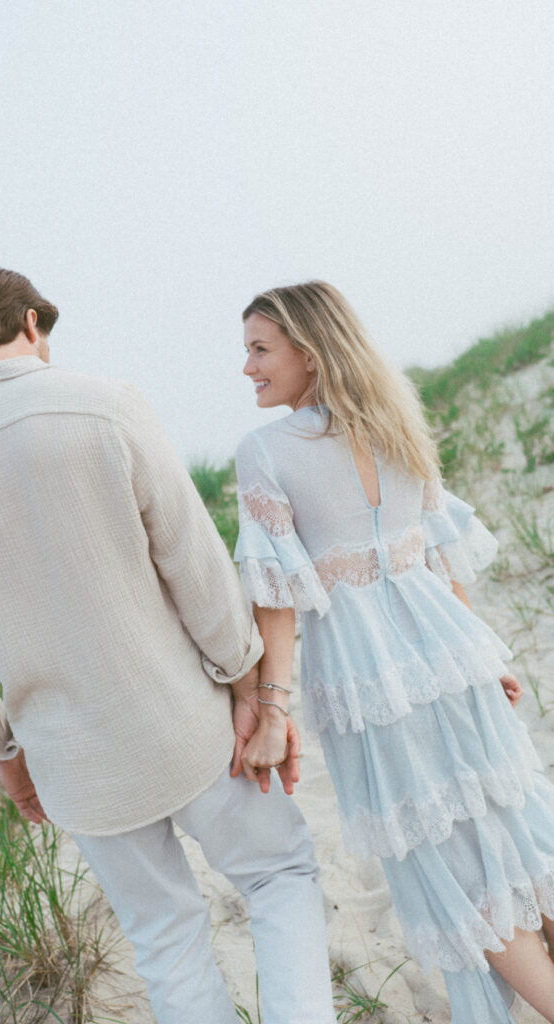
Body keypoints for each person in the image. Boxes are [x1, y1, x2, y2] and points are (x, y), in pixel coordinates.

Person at [0, 268, 337, 1024]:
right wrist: (246, 685)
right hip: (184, 719)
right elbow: (192, 561)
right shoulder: (103, 406)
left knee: (163, 938)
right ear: (31, 323)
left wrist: (1, 754)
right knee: (277, 875)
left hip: (71, 760)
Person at [233, 280, 554, 1024]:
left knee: (450, 865)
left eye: (259, 349)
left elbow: (275, 600)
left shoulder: (265, 452)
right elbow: (439, 554)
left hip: (366, 674)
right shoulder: (395, 417)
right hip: (452, 653)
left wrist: (273, 709)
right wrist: (486, 654)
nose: (247, 367)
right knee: (514, 831)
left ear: (307, 352)